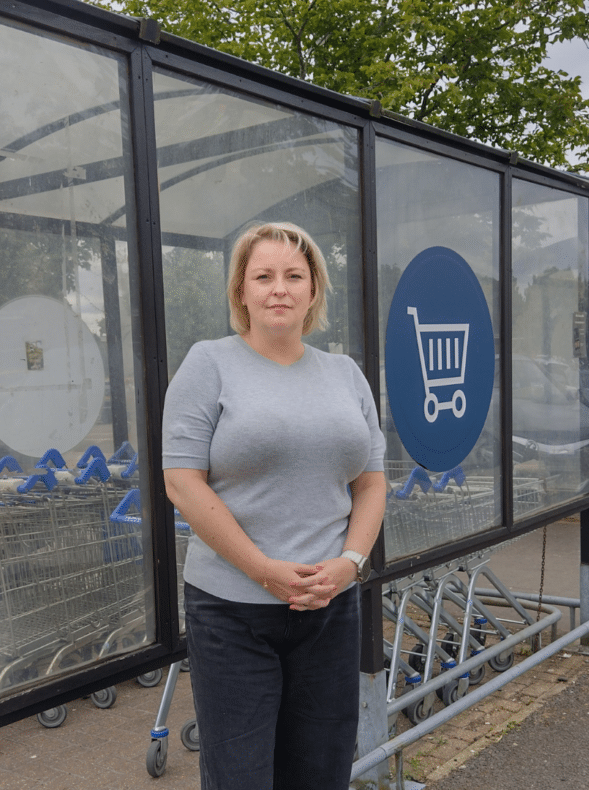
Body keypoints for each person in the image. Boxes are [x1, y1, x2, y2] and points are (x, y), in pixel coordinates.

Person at [162, 221, 387, 789]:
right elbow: (182, 482)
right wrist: (264, 572)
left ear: (314, 290)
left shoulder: (345, 374)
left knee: (321, 771)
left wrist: (349, 564)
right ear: (241, 291)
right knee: (241, 777)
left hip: (329, 609)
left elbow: (371, 482)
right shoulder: (208, 363)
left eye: (294, 276)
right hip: (233, 612)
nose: (279, 289)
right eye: (263, 276)